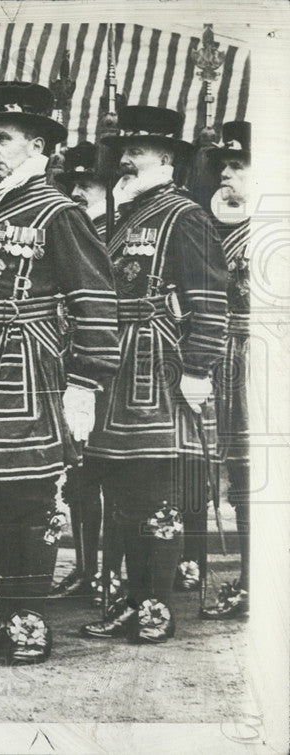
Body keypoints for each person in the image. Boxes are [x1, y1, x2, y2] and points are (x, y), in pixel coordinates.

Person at [0, 81, 120, 665]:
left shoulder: (59, 212)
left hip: (25, 370)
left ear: (36, 144)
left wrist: (84, 383)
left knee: (29, 496)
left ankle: (28, 614)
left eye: (4, 138)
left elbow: (94, 298)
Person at [82, 105, 227, 644]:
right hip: (114, 370)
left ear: (165, 157)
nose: (123, 159)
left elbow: (211, 299)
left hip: (159, 371)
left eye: (136, 151)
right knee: (120, 493)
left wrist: (197, 368)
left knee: (156, 493)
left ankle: (157, 606)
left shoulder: (183, 215)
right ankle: (129, 599)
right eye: (124, 150)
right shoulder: (123, 216)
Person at [51, 141, 125, 604]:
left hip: (111, 365)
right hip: (68, 357)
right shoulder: (67, 226)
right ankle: (83, 566)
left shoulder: (119, 233)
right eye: (73, 183)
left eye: (88, 183)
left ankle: (111, 572)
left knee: (111, 472)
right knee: (78, 475)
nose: (78, 191)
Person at [201, 121, 251, 619]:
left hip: (265, 359)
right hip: (230, 359)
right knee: (242, 475)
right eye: (225, 166)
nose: (227, 174)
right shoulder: (220, 230)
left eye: (238, 166)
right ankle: (250, 580)